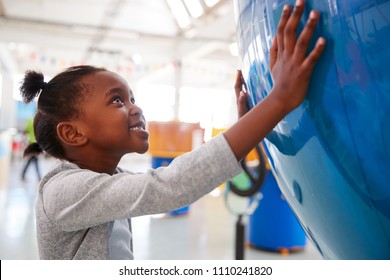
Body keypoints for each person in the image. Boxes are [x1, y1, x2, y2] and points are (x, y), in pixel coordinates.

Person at [20, 0, 325, 260]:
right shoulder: (62, 192)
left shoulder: (111, 180)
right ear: (73, 134)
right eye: (116, 100)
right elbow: (168, 186)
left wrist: (248, 129)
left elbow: (182, 179)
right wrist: (280, 100)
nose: (135, 107)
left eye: (132, 98)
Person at [21, 117, 42, 182]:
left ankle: (23, 175)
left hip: (31, 143)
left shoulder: (29, 121)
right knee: (33, 160)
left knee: (32, 160)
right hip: (36, 144)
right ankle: (38, 177)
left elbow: (25, 132)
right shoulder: (39, 121)